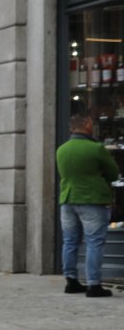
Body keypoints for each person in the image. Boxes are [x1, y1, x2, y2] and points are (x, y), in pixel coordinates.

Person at [57, 109, 120, 298]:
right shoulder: (96, 148)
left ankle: (71, 281)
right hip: (92, 200)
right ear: (86, 125)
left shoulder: (62, 149)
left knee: (69, 241)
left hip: (68, 199)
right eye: (91, 123)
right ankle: (94, 284)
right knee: (94, 242)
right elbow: (113, 173)